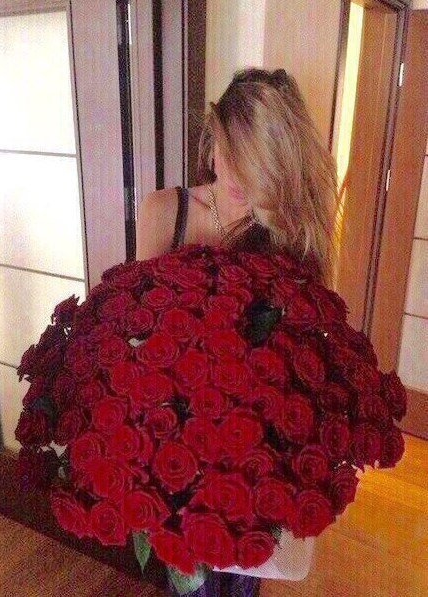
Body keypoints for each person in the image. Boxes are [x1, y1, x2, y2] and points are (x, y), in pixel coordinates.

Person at [135, 67, 341, 596]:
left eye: (260, 171)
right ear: (215, 142)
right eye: (235, 159)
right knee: (188, 580)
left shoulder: (286, 235)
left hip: (251, 458)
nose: (244, 186)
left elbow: (299, 365)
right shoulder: (166, 212)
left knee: (242, 580)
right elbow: (135, 335)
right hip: (177, 451)